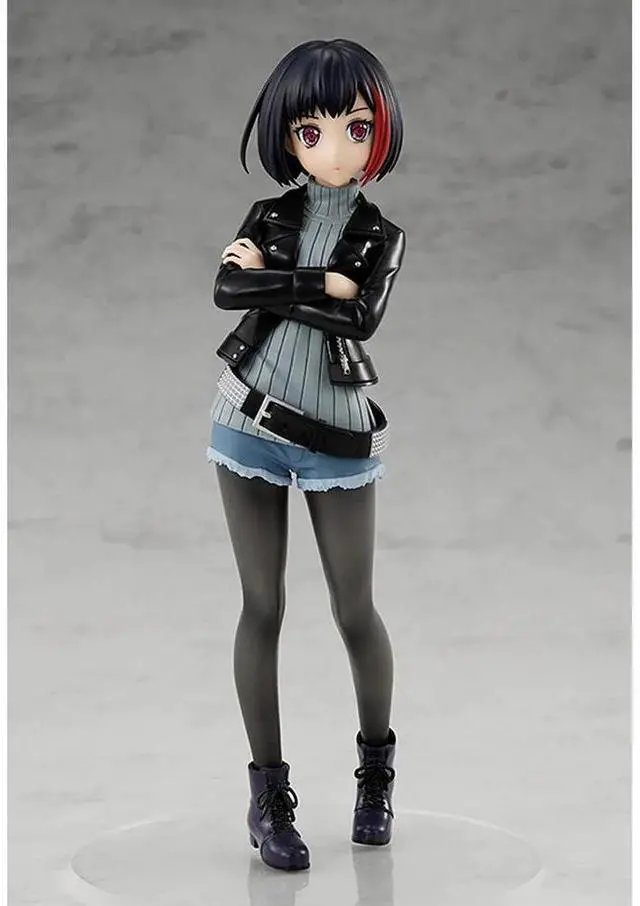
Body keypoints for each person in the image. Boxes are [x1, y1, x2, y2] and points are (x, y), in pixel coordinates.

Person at [207, 38, 406, 872]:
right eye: (311, 131)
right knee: (262, 606)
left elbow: (362, 321)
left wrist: (281, 281)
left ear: (379, 131)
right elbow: (228, 289)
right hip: (246, 418)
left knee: (354, 609)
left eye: (355, 128)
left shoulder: (380, 233)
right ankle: (268, 797)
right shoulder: (268, 213)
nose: (334, 148)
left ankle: (375, 776)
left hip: (336, 433)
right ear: (288, 136)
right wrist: (320, 283)